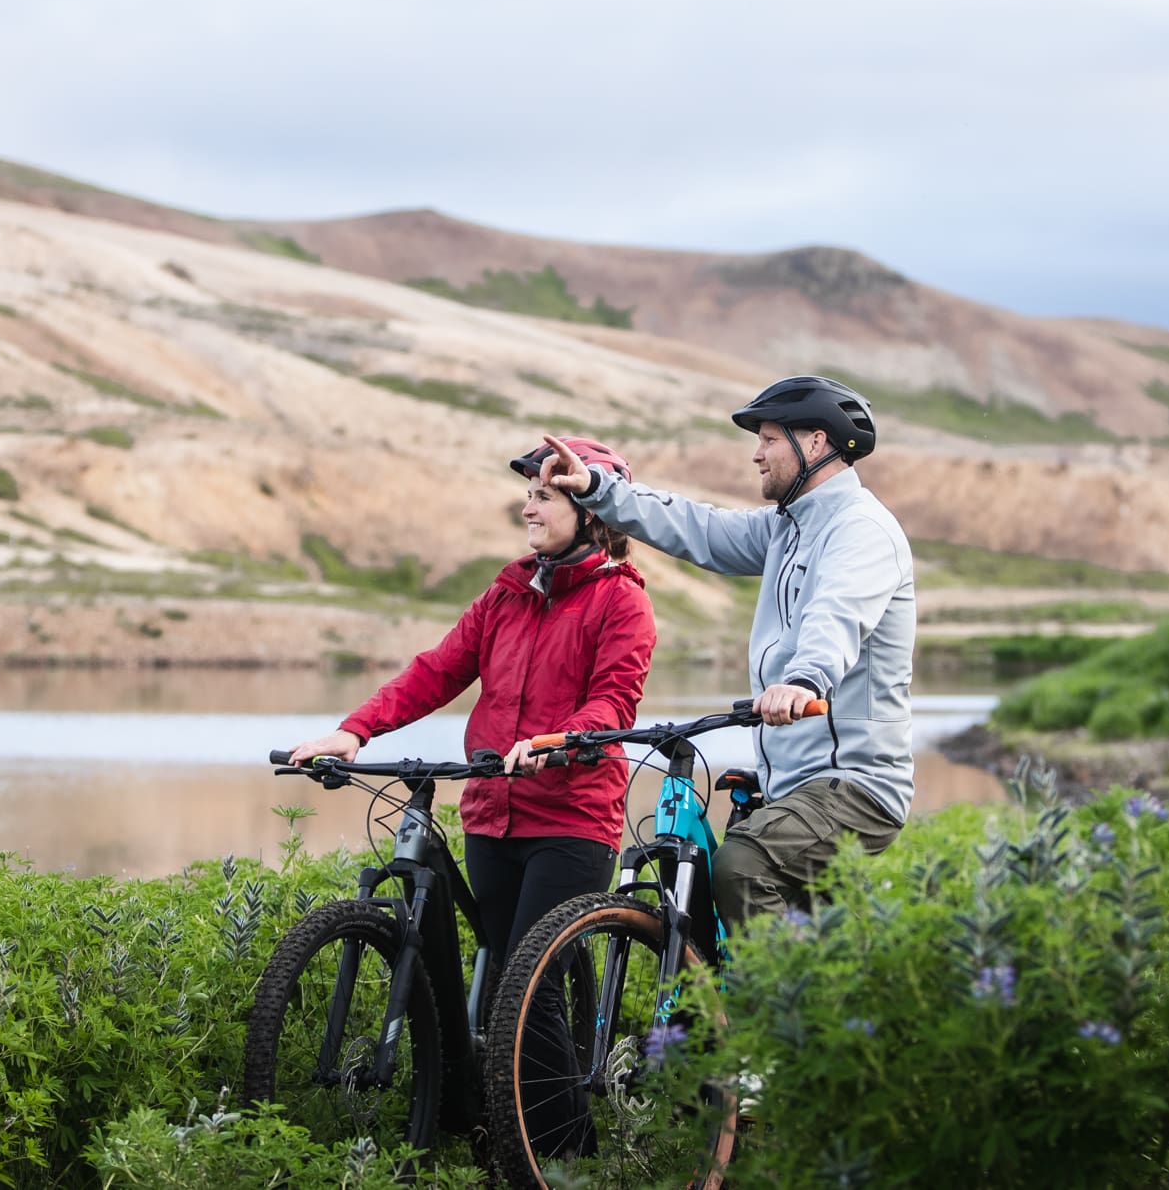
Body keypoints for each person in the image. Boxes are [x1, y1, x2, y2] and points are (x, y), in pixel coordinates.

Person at [287, 436, 656, 1154]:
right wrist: (353, 730)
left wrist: (555, 740)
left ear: (590, 510)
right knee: (498, 984)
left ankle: (563, 1157)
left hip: (572, 819)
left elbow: (614, 703)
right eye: (529, 493)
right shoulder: (506, 593)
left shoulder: (622, 603)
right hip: (493, 813)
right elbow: (437, 670)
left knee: (529, 986)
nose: (528, 504)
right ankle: (482, 1124)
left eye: (545, 494)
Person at [526, 375, 914, 931]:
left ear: (815, 443)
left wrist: (804, 681)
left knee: (741, 864)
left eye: (769, 439)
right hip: (794, 782)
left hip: (854, 784)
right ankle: (770, 1004)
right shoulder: (788, 528)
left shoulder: (861, 530)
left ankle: (773, 1015)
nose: (756, 454)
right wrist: (597, 488)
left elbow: (838, 614)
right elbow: (696, 527)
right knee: (757, 903)